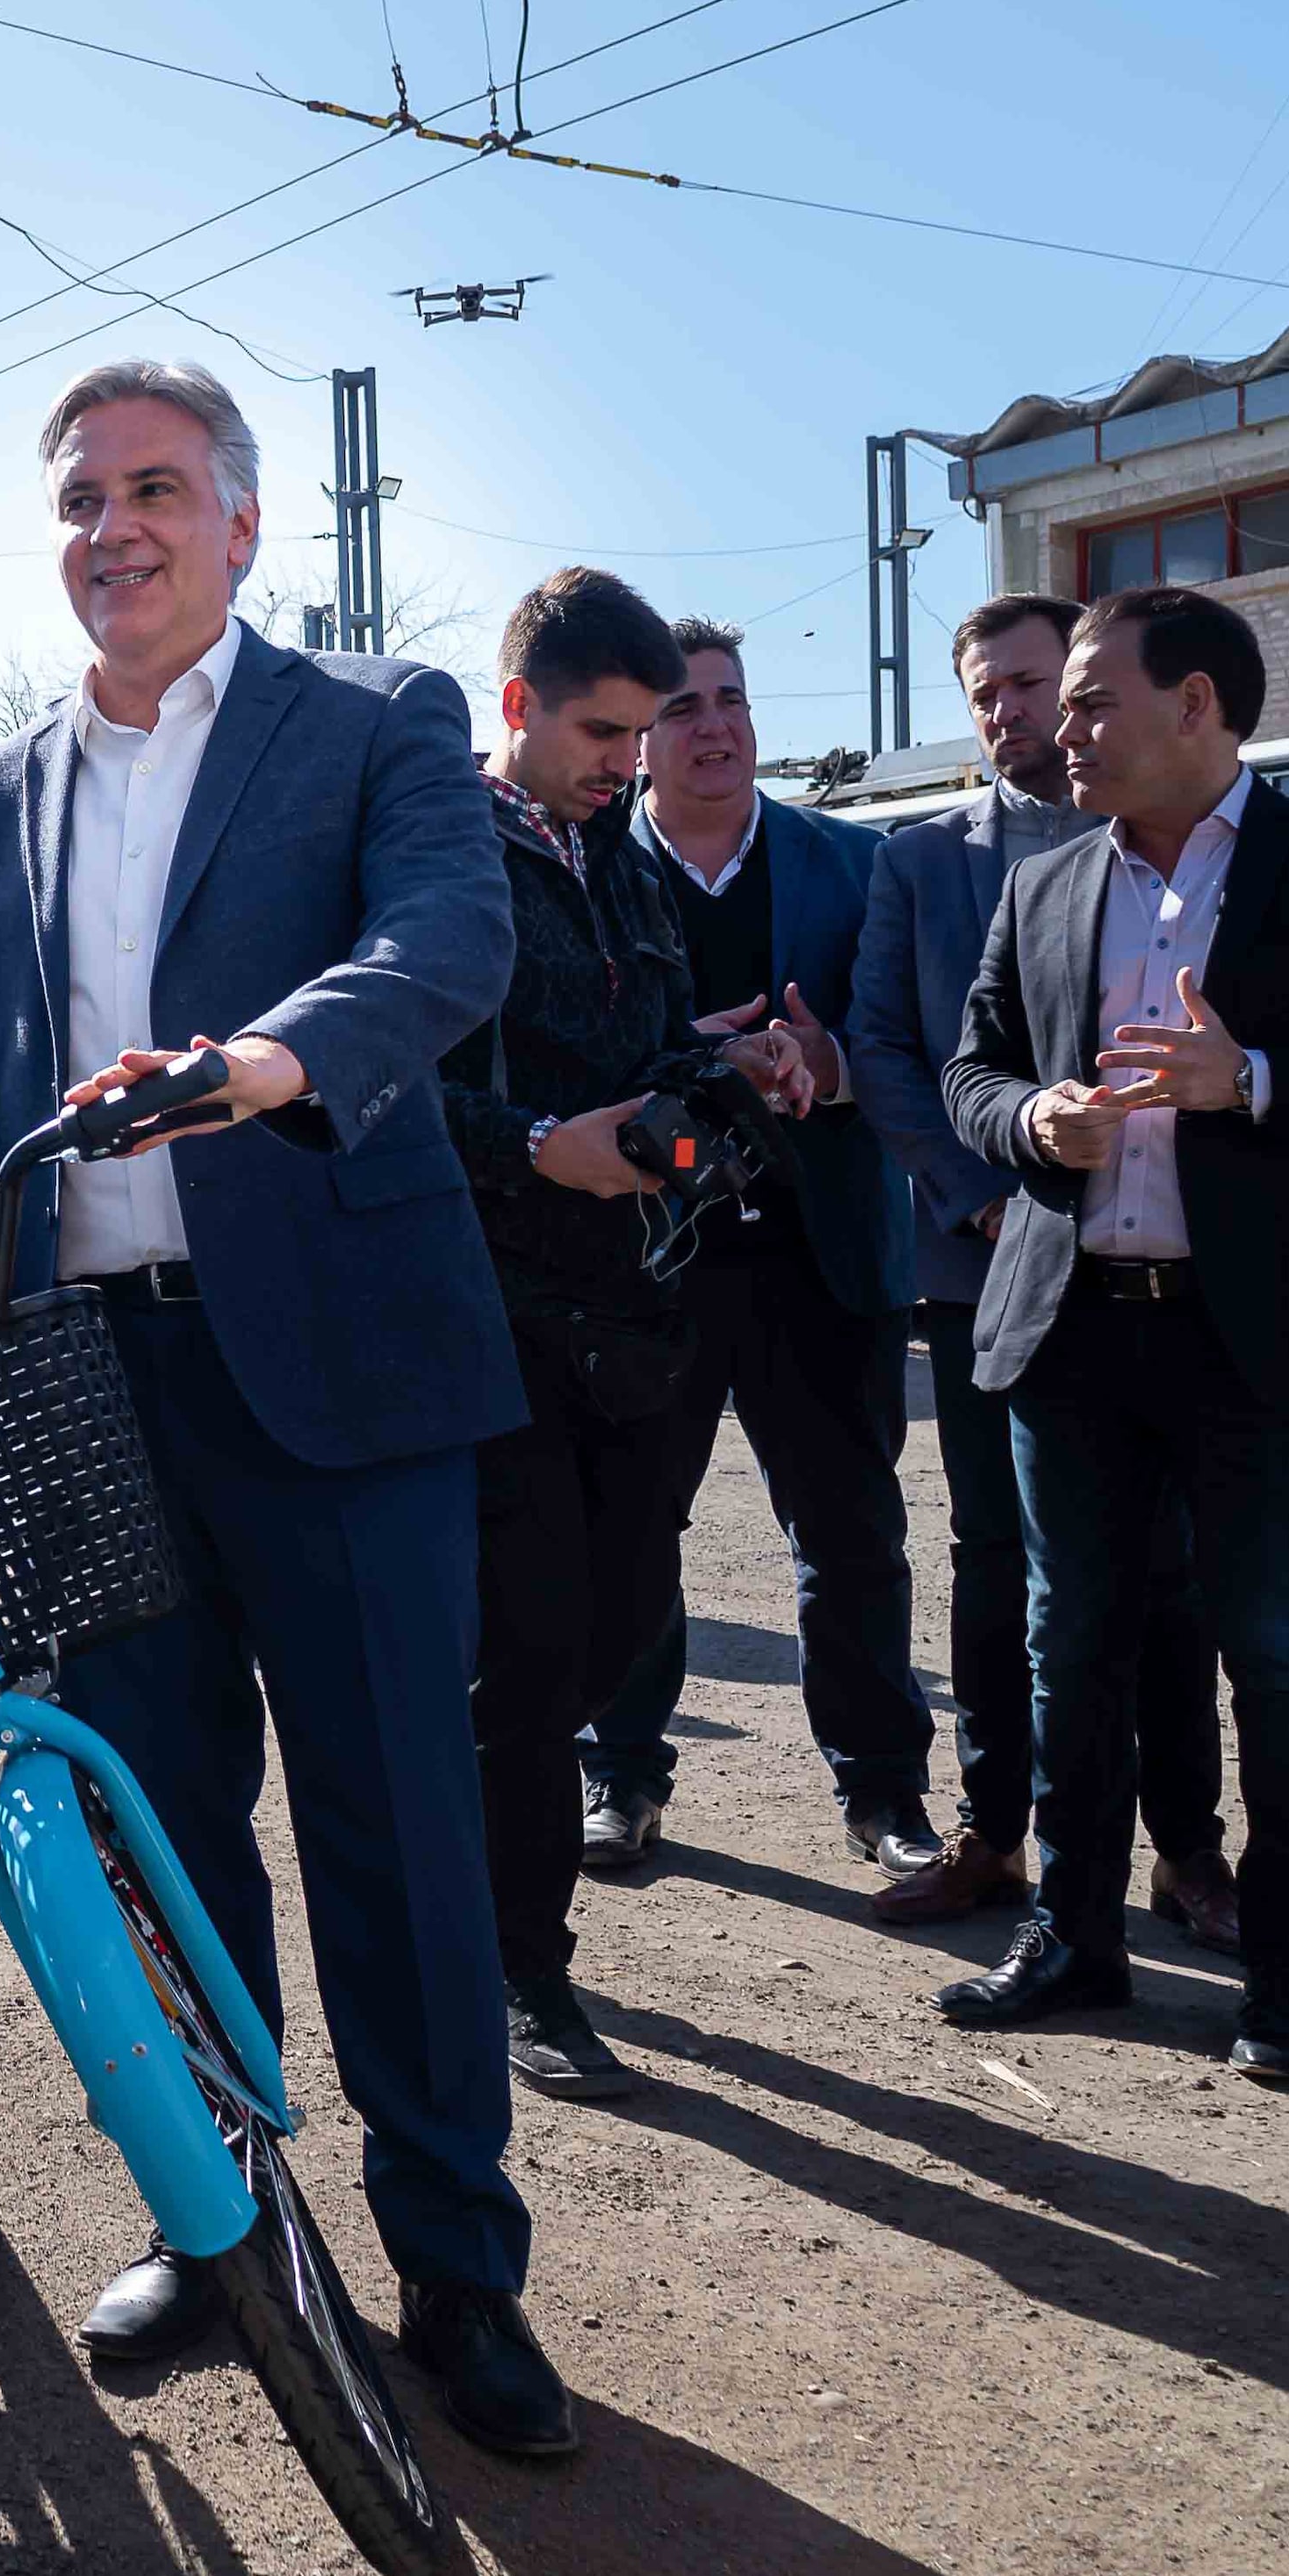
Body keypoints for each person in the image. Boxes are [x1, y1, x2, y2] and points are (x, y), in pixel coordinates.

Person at [0, 357, 572, 2457]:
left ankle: (457, 2265)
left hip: (336, 1371)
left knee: (395, 1833)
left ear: (244, 523)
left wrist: (269, 1057)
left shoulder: (375, 724)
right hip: (82, 1387)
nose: (116, 528)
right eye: (81, 497)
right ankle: (225, 2218)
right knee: (156, 1834)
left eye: (157, 487)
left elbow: (452, 940)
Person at [937, 584, 1289, 2077]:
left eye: (1097, 699)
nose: (1065, 727)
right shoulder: (1047, 886)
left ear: (1199, 707)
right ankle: (1074, 1938)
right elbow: (971, 1072)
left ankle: (1282, 1976)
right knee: (1073, 1649)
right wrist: (1034, 1116)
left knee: (1274, 1652)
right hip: (1075, 1330)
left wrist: (1250, 1080)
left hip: (1260, 1343)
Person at [443, 572, 815, 2108]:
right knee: (529, 1666)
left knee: (617, 1631)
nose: (631, 760)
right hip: (497, 1323)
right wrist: (539, 1143)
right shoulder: (437, 858)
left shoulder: (619, 856)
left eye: (647, 731)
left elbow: (642, 1052)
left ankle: (492, 1910)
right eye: (606, 730)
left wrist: (726, 1063)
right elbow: (374, 1088)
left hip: (639, 1320)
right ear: (519, 706)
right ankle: (519, 1967)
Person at [843, 595, 1231, 1934]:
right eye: (985, 692)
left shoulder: (1186, 848)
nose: (1010, 712)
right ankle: (993, 1837)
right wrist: (984, 1202)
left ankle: (1190, 1852)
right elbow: (888, 1050)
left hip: (1171, 1278)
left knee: (1169, 1573)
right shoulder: (921, 863)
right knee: (995, 1560)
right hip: (984, 1273)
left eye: (1029, 683)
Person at [577, 620, 938, 1885]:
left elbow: (909, 1039)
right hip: (647, 1260)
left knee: (851, 1537)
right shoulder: (584, 874)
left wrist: (823, 1061)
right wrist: (691, 1063)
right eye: (681, 707)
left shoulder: (858, 864)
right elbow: (558, 1054)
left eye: (731, 699)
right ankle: (619, 1774)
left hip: (820, 1259)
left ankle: (886, 1792)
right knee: (628, 1531)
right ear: (640, 735)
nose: (714, 725)